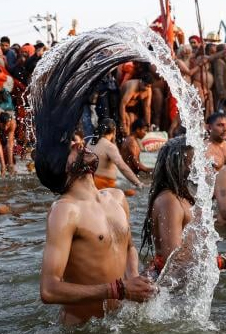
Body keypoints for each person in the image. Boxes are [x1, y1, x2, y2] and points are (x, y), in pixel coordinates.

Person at [40, 137, 155, 325]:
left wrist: (133, 277)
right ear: (60, 165)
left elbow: (128, 248)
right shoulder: (64, 211)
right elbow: (49, 290)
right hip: (83, 328)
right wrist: (120, 290)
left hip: (119, 322)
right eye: (70, 148)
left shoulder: (116, 197)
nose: (79, 144)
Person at [140, 136, 226, 277]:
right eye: (196, 159)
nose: (202, 164)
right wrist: (221, 262)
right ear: (180, 164)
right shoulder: (169, 201)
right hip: (173, 289)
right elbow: (172, 263)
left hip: (188, 282)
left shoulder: (182, 196)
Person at [88, 118, 144, 189]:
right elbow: (122, 167)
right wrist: (138, 183)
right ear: (114, 131)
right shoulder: (109, 146)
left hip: (90, 182)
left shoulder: (90, 141)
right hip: (104, 184)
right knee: (132, 192)